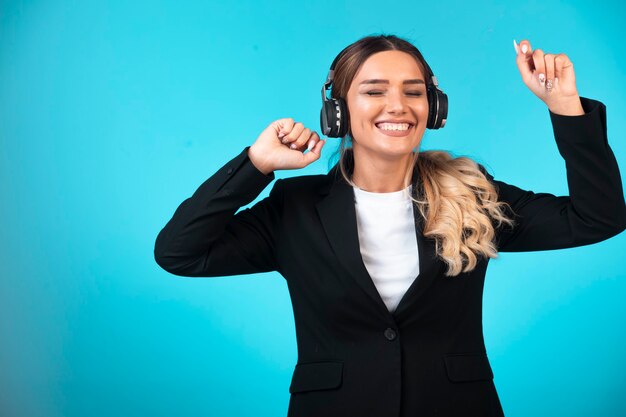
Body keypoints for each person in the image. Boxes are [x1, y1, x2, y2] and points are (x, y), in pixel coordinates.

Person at [154, 34, 626, 417]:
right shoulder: (293, 209)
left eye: (414, 92)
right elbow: (180, 251)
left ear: (433, 109)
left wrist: (566, 108)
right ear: (337, 112)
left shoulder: (472, 193)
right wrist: (256, 165)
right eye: (374, 91)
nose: (398, 105)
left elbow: (598, 218)